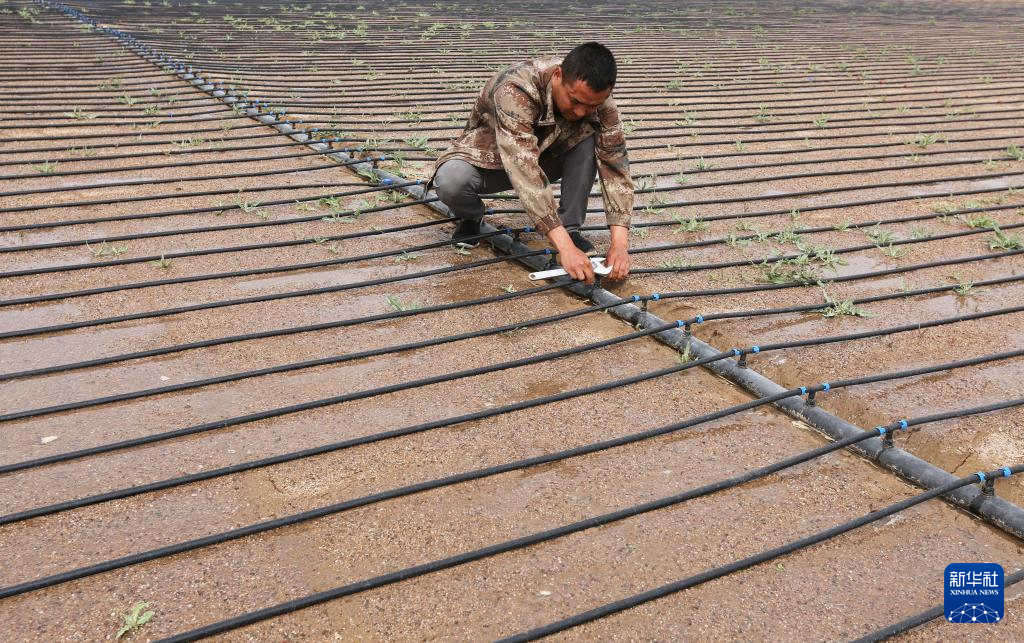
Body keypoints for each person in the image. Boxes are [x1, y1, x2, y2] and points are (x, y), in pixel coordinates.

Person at [429, 42, 634, 283]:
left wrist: (619, 245)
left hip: (546, 156)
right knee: (451, 180)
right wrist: (566, 250)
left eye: (592, 105)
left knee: (588, 139)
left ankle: (570, 228)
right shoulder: (515, 89)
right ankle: (472, 217)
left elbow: (615, 165)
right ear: (558, 75)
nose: (581, 112)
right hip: (492, 160)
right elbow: (524, 170)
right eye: (575, 101)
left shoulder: (599, 101)